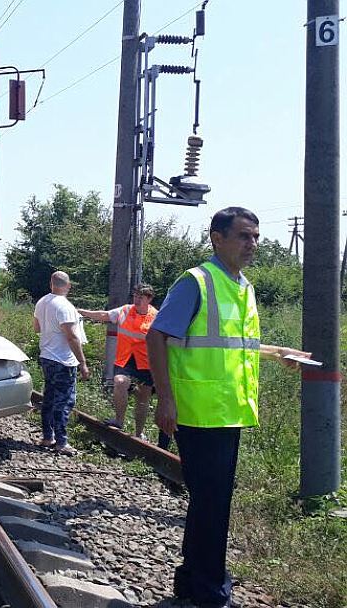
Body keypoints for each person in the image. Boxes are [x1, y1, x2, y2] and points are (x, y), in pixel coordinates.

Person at [145, 207, 309, 608]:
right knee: (213, 503)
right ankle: (209, 590)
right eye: (243, 236)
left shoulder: (243, 287)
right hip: (200, 411)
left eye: (255, 236)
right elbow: (157, 337)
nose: (252, 243)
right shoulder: (197, 282)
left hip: (227, 411)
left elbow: (235, 347)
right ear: (217, 238)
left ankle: (193, 582)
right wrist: (165, 398)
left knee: (210, 500)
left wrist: (277, 353)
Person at [78, 283, 158, 440]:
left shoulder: (156, 316)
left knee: (143, 398)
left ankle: (138, 433)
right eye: (135, 296)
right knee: (119, 381)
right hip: (125, 359)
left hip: (146, 363)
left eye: (140, 297)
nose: (136, 300)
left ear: (149, 299)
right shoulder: (125, 310)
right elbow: (104, 315)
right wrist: (81, 312)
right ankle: (119, 421)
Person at [33, 271, 90, 456]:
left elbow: (37, 328)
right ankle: (61, 442)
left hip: (47, 357)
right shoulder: (65, 306)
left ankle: (48, 437)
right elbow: (72, 337)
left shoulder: (42, 302)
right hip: (63, 360)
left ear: (51, 284)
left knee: (49, 398)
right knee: (64, 401)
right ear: (68, 285)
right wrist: (82, 363)